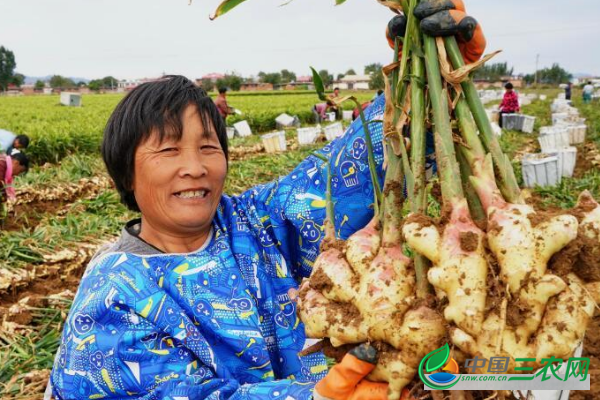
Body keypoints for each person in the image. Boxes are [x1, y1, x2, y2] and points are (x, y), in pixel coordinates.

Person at [49, 1, 485, 398]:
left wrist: (429, 76)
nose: (195, 167)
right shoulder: (113, 297)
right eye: (168, 150)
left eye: (207, 147)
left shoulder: (255, 222)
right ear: (126, 172)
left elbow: (344, 175)